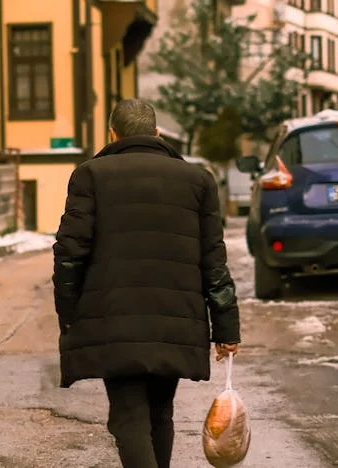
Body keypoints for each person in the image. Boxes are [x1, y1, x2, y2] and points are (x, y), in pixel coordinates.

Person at [52, 99, 241, 468]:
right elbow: (213, 259)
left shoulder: (90, 175)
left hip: (112, 317)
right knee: (160, 414)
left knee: (128, 416)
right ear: (157, 134)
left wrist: (69, 311)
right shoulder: (198, 180)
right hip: (175, 318)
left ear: (113, 134)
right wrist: (226, 327)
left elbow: (70, 252)